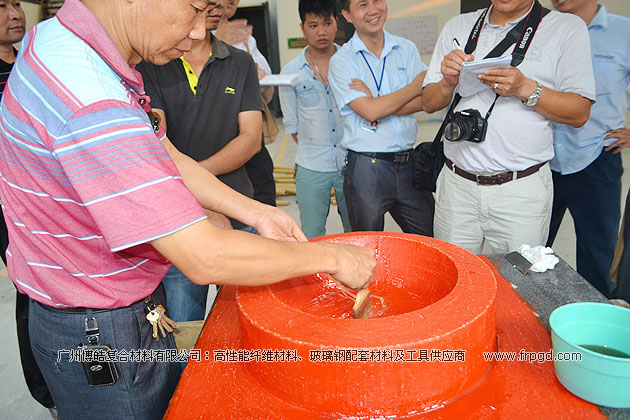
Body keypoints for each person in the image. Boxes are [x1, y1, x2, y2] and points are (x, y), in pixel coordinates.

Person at [0, 0, 376, 419]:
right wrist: (334, 257)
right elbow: (204, 255)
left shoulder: (63, 39)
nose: (200, 32)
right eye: (195, 9)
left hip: (93, 305)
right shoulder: (90, 97)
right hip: (101, 331)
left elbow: (165, 154)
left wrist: (256, 212)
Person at [422, 0, 595, 255]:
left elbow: (579, 112)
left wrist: (525, 88)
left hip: (520, 190)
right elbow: (428, 102)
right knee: (456, 278)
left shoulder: (565, 28)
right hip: (456, 185)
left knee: (520, 285)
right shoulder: (458, 26)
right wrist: (448, 82)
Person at [137, 0, 264, 322]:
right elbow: (155, 137)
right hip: (181, 221)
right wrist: (195, 189)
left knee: (245, 323)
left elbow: (250, 139)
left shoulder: (240, 62)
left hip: (239, 207)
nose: (217, 5)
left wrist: (196, 178)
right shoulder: (153, 64)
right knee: (184, 327)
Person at [546, 0, 630, 298]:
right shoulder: (541, 29)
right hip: (542, 160)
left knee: (598, 256)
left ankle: (594, 333)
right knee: (527, 251)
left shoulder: (623, 32)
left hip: (598, 158)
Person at [328, 0, 434, 235]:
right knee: (369, 248)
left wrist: (377, 101)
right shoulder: (342, 61)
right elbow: (370, 112)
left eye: (377, 0)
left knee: (429, 240)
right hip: (367, 169)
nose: (373, 10)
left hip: (409, 164)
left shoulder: (406, 50)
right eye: (363, 4)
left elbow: (427, 102)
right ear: (347, 14)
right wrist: (413, 87)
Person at [0, 1, 57, 418]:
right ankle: (48, 391)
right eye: (1, 7)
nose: (14, 13)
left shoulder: (28, 65)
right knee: (30, 294)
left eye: (16, 4)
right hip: (7, 202)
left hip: (41, 197)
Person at [279, 0, 351, 239]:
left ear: (336, 23)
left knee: (357, 230)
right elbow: (293, 126)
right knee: (311, 235)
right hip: (311, 166)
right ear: (302, 28)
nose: (321, 31)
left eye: (327, 23)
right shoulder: (291, 72)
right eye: (313, 25)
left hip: (351, 163)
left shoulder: (352, 62)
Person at [215, 0, 276, 207]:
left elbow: (268, 94)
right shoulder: (184, 40)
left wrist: (260, 83)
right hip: (214, 148)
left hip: (253, 149)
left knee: (265, 207)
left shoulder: (245, 38)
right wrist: (218, 40)